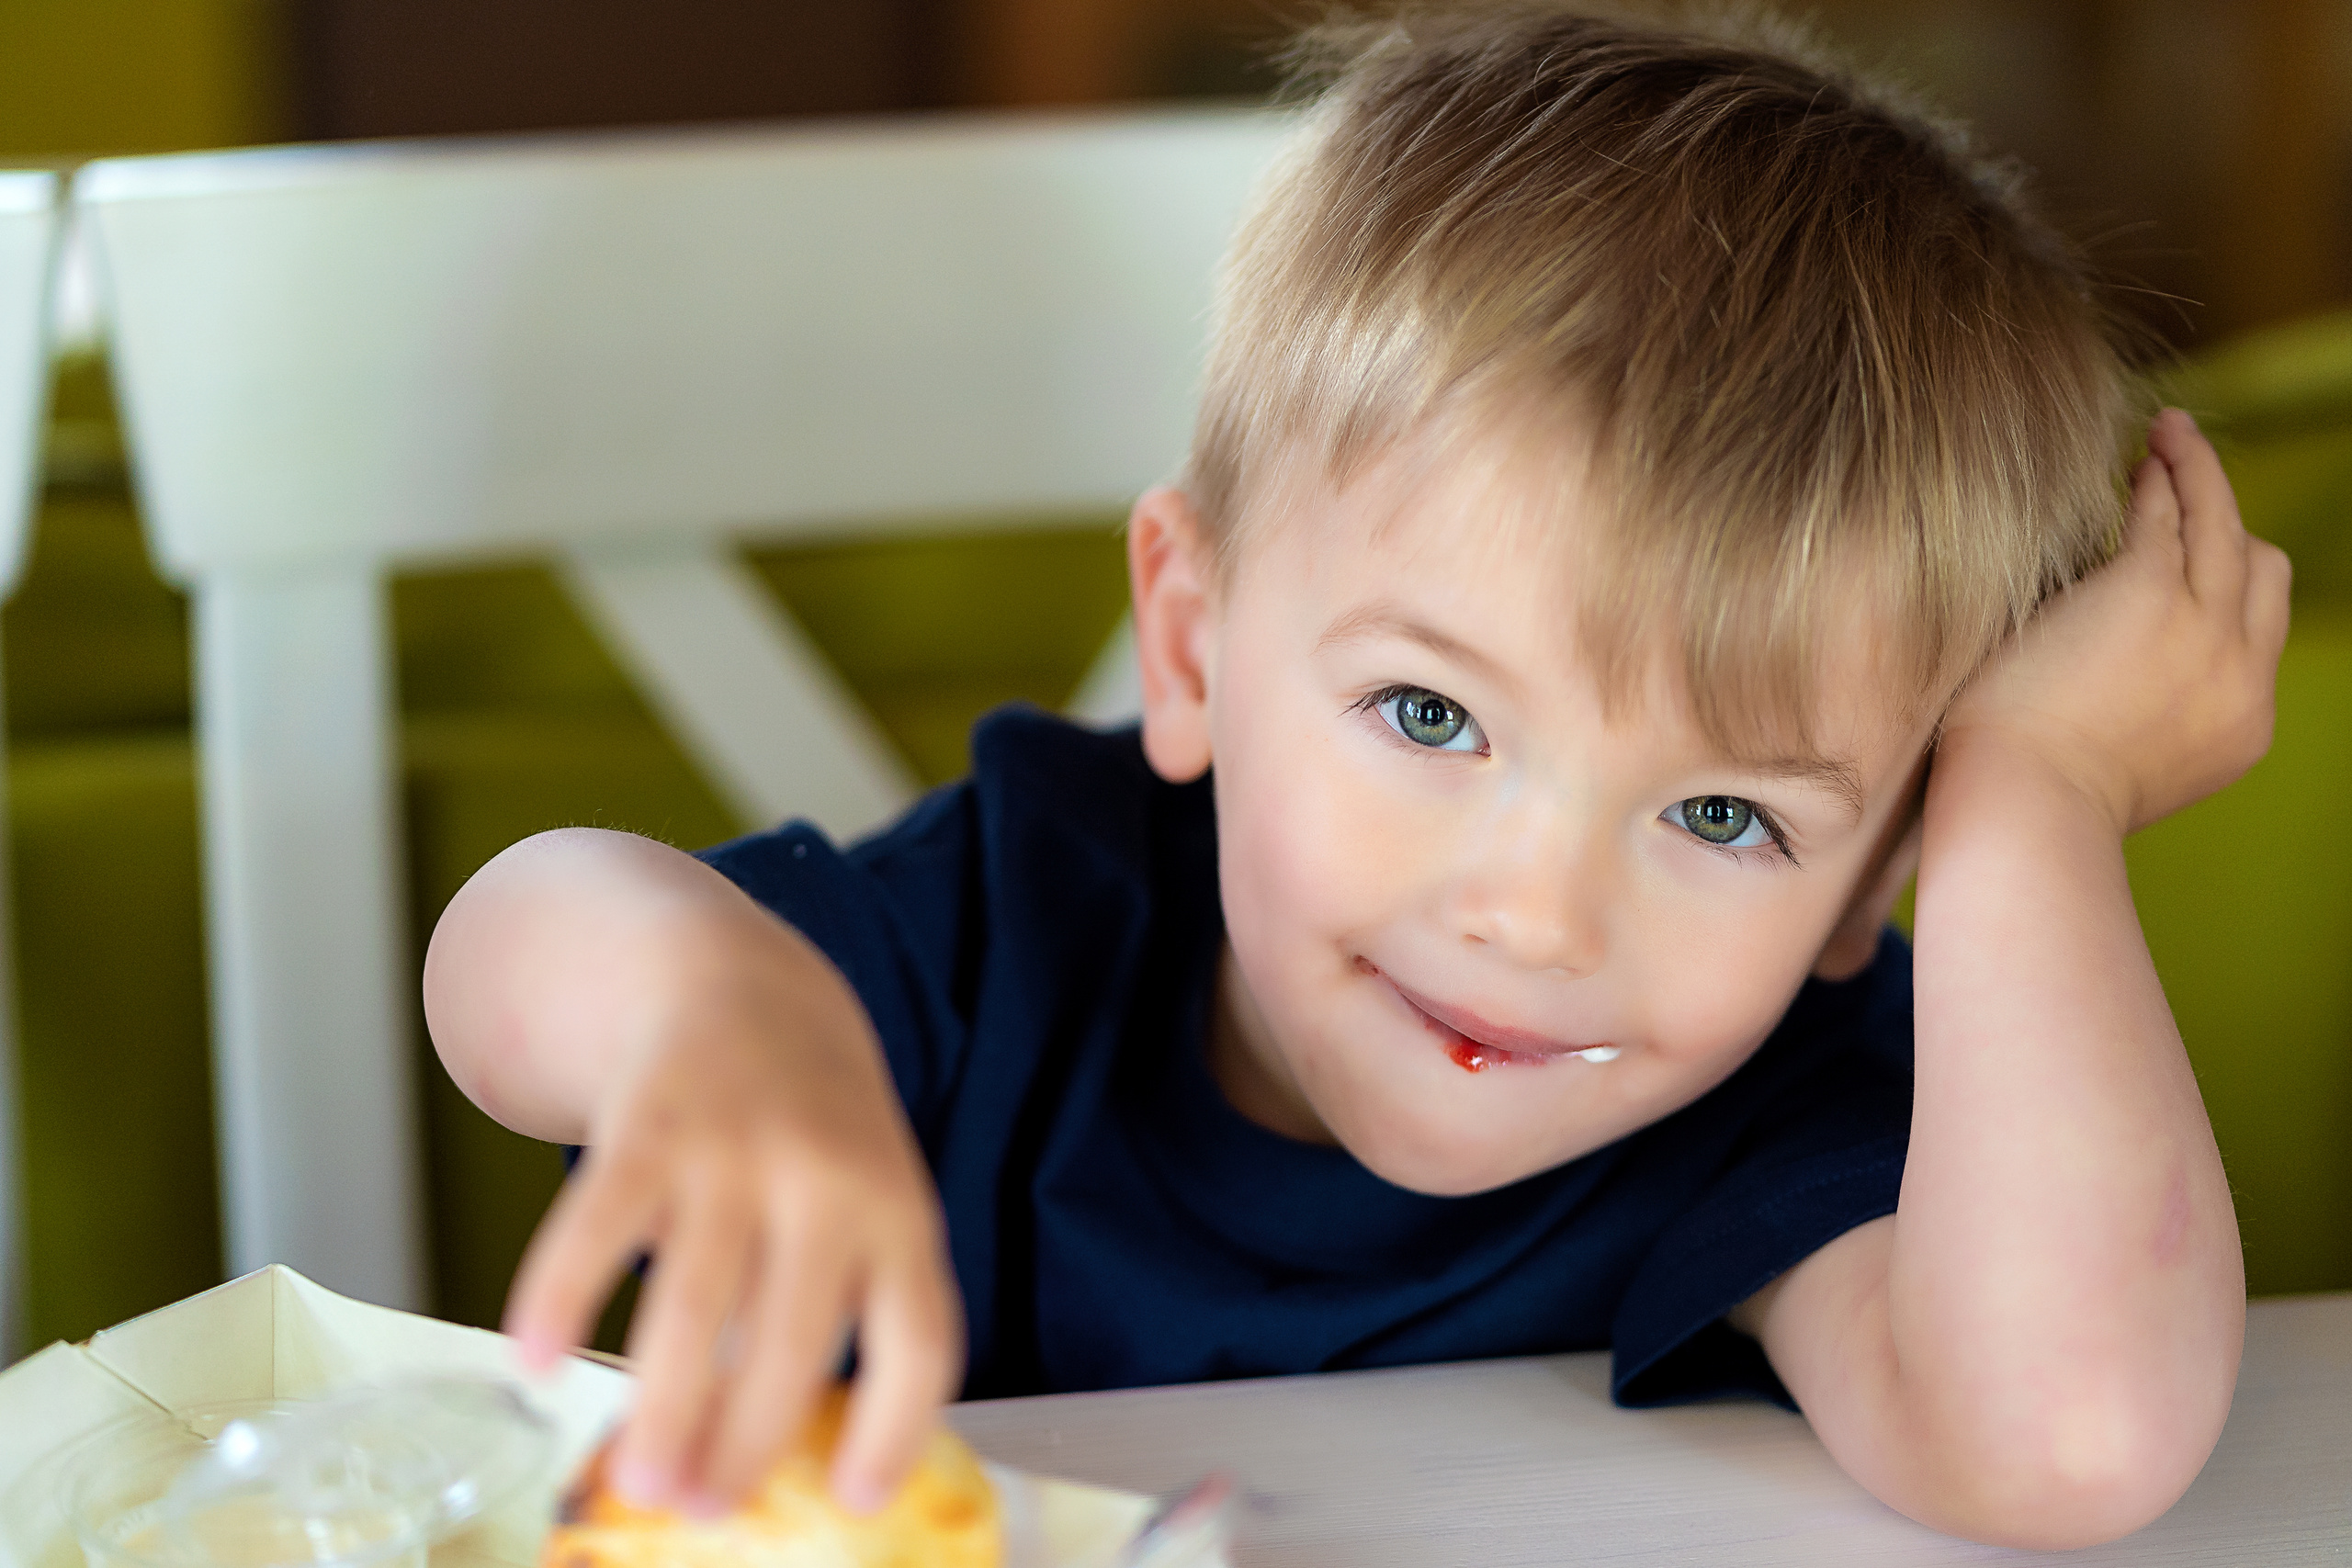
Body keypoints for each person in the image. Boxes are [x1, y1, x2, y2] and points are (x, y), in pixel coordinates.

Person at [424, 3, 2290, 1550]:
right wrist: (717, 1015)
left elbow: (2063, 1434)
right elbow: (502, 959)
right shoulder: (1020, 923)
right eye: (1427, 713)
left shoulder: (1769, 1113)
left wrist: (2029, 799)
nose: (1532, 911)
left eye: (1723, 815)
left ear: (1876, 863)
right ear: (1189, 643)